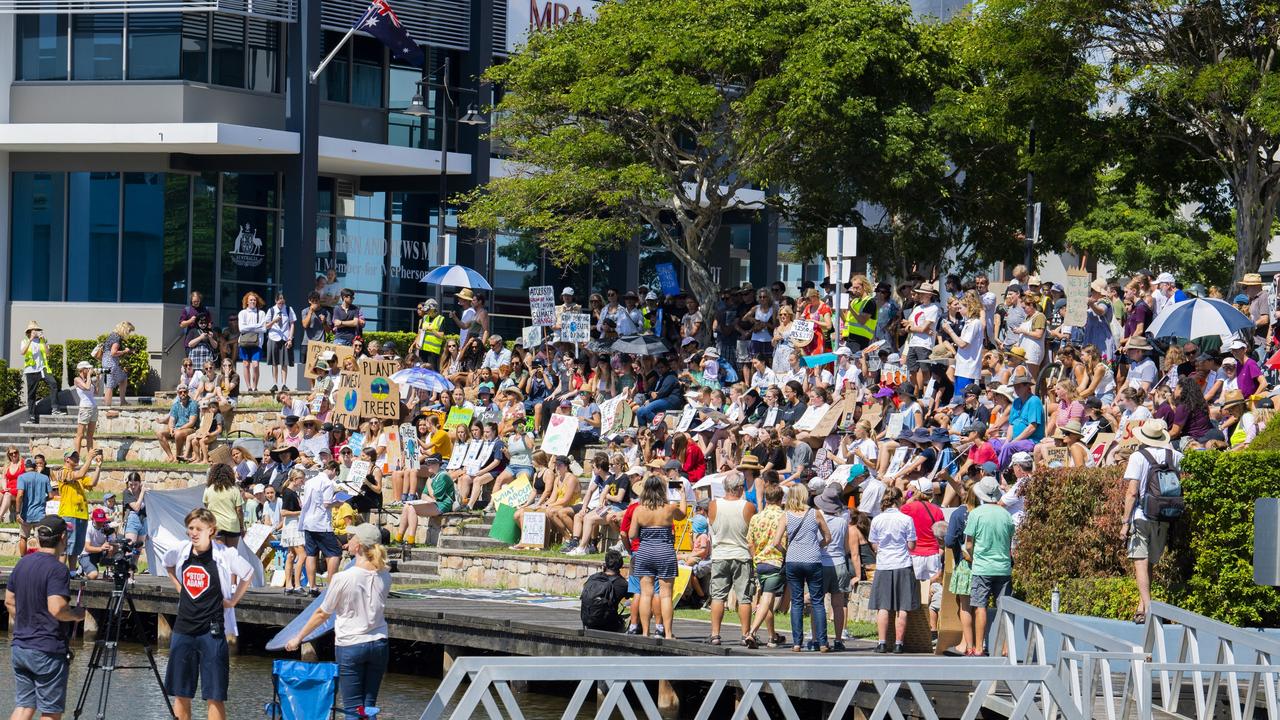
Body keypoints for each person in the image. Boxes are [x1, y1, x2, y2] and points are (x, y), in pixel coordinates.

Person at [286, 523, 390, 717]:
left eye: (351, 538)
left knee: (352, 707)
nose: (347, 541)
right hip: (379, 643)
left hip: (351, 644)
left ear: (358, 546)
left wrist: (298, 637)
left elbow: (322, 614)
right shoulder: (385, 574)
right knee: (368, 706)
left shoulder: (343, 578)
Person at [163, 508, 252, 720]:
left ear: (211, 530)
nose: (193, 533)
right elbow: (168, 564)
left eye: (198, 529)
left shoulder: (224, 554)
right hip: (184, 628)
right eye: (190, 528)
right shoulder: (182, 550)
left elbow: (247, 574)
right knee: (181, 692)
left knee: (215, 694)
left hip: (211, 630)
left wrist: (232, 601)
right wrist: (180, 588)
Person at [6, 515, 85, 720]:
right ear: (63, 537)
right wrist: (76, 614)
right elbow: (57, 608)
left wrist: (27, 621)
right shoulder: (58, 569)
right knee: (51, 710)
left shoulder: (22, 564)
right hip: (47, 649)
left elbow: (9, 602)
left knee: (24, 706)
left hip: (20, 646)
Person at [1122, 419, 1182, 624]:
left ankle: (1148, 608)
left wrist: (1124, 521)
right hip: (1165, 514)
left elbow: (1131, 492)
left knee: (1140, 561)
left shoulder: (1138, 456)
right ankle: (1142, 605)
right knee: (1150, 564)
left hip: (1141, 514)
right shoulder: (1173, 455)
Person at [773, 483, 832, 652]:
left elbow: (776, 542)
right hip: (813, 560)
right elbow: (828, 537)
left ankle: (797, 643)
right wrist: (817, 546)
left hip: (793, 560)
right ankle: (822, 642)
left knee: (797, 602)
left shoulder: (786, 516)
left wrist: (787, 552)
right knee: (817, 602)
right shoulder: (815, 513)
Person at [628, 475, 687, 640]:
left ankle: (646, 632)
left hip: (645, 551)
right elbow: (682, 515)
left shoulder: (639, 509)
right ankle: (667, 633)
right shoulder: (669, 507)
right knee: (665, 595)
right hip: (665, 551)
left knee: (646, 594)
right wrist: (682, 495)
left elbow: (632, 534)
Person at [965, 475, 1015, 656]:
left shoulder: (976, 514)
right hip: (1003, 567)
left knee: (980, 607)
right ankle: (1005, 647)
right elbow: (1010, 541)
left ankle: (979, 647)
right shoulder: (1006, 514)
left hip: (982, 567)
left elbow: (969, 544)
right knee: (1004, 608)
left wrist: (972, 557)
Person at [707, 473, 757, 647]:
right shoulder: (748, 506)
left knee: (718, 596)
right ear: (739, 488)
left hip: (720, 554)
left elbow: (713, 525)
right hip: (741, 554)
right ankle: (745, 634)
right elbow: (752, 531)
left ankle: (715, 634)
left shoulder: (713, 505)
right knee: (744, 597)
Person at [868, 487, 917, 654]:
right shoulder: (906, 519)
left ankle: (882, 643)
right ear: (899, 500)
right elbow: (911, 545)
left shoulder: (877, 520)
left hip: (884, 564)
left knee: (883, 606)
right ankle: (898, 643)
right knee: (902, 607)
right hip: (902, 563)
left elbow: (874, 545)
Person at [57, 450, 102, 573]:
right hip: (68, 514)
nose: (76, 458)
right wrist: (89, 459)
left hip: (81, 515)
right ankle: (60, 572)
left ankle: (72, 572)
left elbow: (92, 482)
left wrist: (98, 466)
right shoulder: (62, 472)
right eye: (73, 457)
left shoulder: (77, 475)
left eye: (77, 456)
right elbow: (81, 474)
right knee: (66, 546)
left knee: (76, 547)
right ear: (67, 459)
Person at [302, 460, 342, 595]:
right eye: (336, 474)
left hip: (308, 522)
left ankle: (312, 586)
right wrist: (337, 503)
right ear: (334, 470)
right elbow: (326, 504)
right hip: (321, 523)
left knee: (311, 554)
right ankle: (331, 586)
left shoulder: (310, 481)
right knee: (334, 553)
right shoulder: (328, 483)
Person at [20, 320, 63, 423]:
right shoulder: (25, 341)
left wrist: (44, 342)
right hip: (31, 370)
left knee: (53, 383)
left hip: (43, 368)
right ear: (29, 332)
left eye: (37, 330)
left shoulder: (42, 340)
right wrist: (30, 340)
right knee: (31, 394)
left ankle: (55, 409)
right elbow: (22, 352)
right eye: (34, 330)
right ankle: (31, 416)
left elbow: (48, 354)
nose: (36, 332)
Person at [580, 549, 631, 632]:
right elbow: (633, 597)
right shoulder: (623, 584)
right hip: (609, 625)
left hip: (588, 622)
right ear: (621, 565)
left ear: (606, 563)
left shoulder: (593, 578)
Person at [202, 464, 244, 548]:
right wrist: (241, 526)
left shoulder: (208, 489)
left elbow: (206, 507)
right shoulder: (234, 489)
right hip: (232, 525)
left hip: (216, 525)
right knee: (232, 554)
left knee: (219, 555)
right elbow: (239, 510)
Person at [156, 384, 200, 463]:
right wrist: (171, 429)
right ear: (178, 393)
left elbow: (192, 422)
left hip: (190, 429)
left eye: (184, 392)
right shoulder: (175, 405)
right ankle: (171, 457)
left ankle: (178, 457)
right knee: (159, 433)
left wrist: (179, 428)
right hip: (177, 429)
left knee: (178, 433)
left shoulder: (193, 404)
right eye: (180, 392)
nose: (183, 393)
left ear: (188, 392)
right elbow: (171, 420)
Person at [16, 459, 51, 556]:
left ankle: (22, 560)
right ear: (35, 466)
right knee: (40, 539)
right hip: (40, 514)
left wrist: (17, 512)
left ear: (25, 467)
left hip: (26, 515)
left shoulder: (22, 477)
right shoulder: (44, 478)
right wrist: (43, 500)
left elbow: (19, 495)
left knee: (23, 537)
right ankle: (40, 561)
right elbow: (51, 495)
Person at [264, 292, 297, 393]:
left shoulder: (288, 309)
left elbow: (292, 324)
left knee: (284, 362)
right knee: (275, 362)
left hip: (285, 338)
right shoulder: (271, 310)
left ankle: (284, 384)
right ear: (276, 301)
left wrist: (290, 338)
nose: (281, 305)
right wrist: (274, 321)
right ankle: (275, 383)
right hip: (273, 337)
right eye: (279, 303)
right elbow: (266, 326)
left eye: (282, 303)